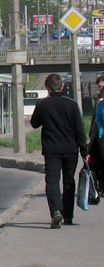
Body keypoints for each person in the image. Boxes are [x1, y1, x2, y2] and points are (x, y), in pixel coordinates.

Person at [30, 72, 88, 228]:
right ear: (62, 86)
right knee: (69, 180)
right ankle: (68, 215)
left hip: (51, 149)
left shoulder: (42, 104)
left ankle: (56, 211)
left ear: (47, 88)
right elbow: (79, 130)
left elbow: (34, 124)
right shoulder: (72, 104)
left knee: (52, 181)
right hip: (70, 149)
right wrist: (84, 152)